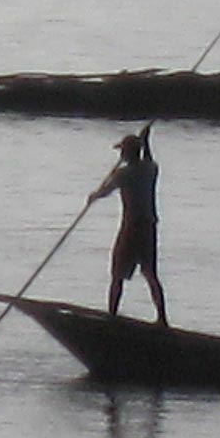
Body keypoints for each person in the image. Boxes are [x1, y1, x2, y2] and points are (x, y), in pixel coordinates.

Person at [87, 125, 167, 324]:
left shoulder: (123, 175)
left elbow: (106, 191)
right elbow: (149, 159)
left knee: (117, 274)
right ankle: (162, 317)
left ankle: (112, 316)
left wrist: (94, 196)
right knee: (150, 273)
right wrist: (146, 142)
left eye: (122, 150)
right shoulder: (150, 170)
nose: (121, 153)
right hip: (148, 227)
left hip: (132, 227)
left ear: (126, 153)